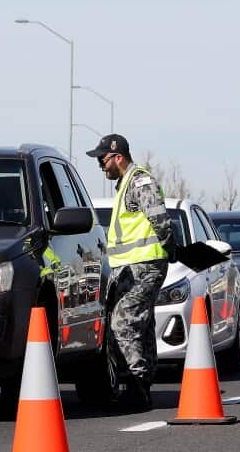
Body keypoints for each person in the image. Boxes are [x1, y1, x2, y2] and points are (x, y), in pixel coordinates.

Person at [86, 133, 175, 411]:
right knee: (141, 324)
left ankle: (135, 386)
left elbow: (159, 217)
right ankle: (143, 386)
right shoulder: (126, 184)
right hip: (133, 266)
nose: (101, 165)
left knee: (123, 323)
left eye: (103, 159)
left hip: (145, 265)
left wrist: (169, 245)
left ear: (118, 157)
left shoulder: (139, 180)